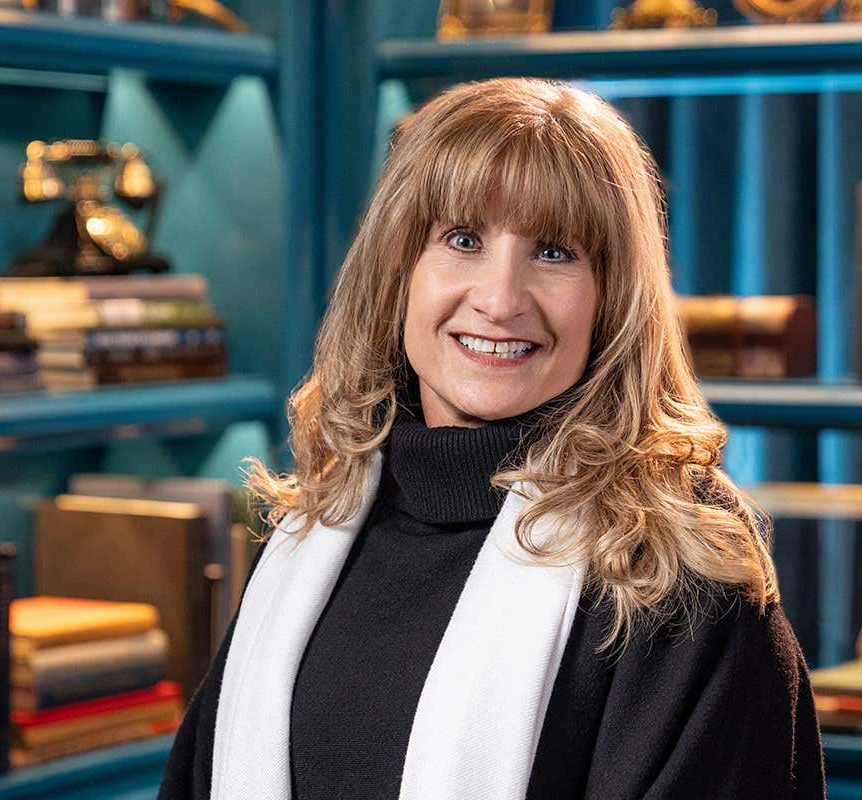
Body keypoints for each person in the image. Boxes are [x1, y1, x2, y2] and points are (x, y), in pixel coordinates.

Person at [159, 76, 826, 800]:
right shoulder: (311, 527)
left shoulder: (678, 573)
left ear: (614, 299)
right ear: (398, 271)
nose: (500, 300)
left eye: (555, 252)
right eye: (463, 239)